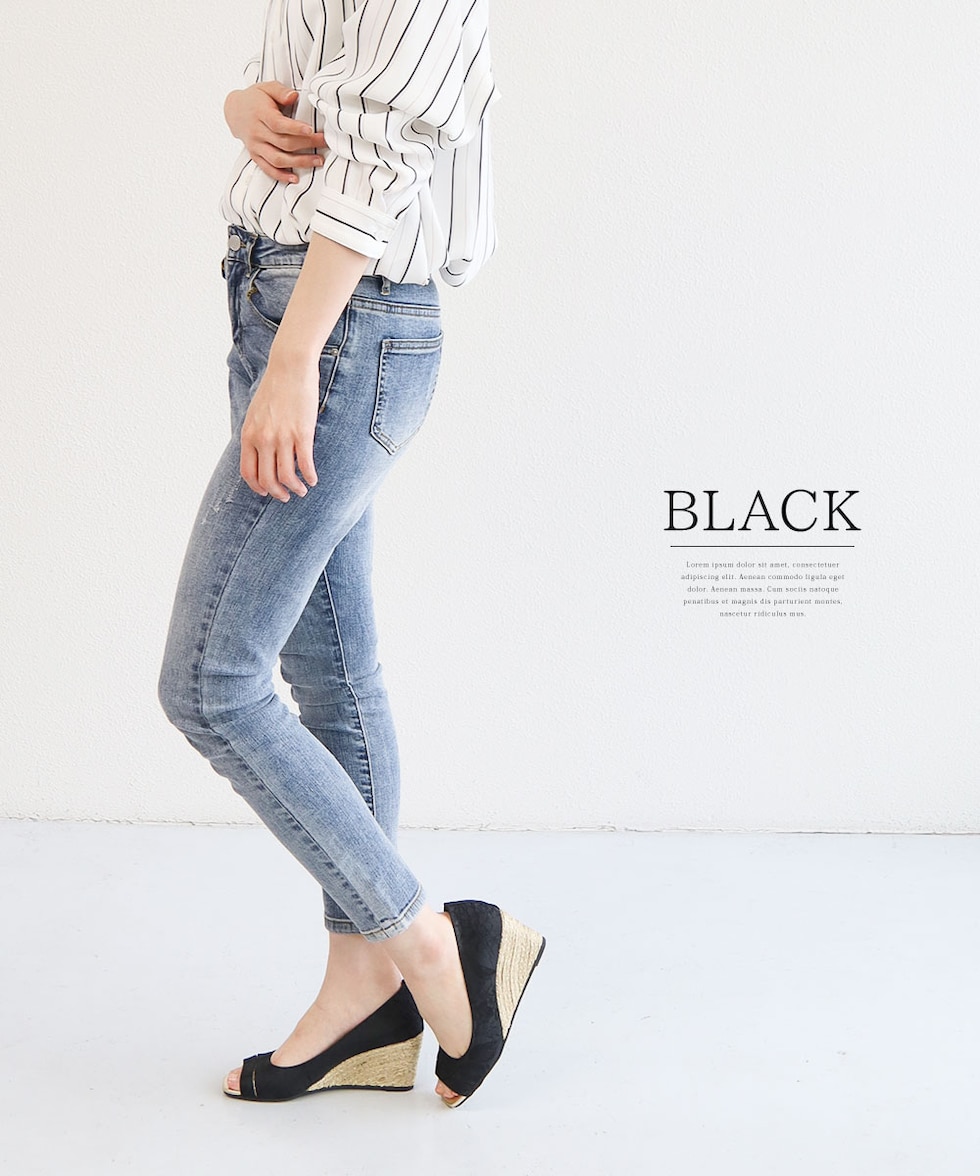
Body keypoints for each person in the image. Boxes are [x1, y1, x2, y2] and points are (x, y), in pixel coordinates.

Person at [157, 0, 544, 1108]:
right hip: (283, 302)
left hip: (338, 324)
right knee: (327, 668)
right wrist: (241, 106)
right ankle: (361, 988)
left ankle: (429, 945)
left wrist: (295, 360)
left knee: (210, 682)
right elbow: (308, 90)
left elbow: (380, 158)